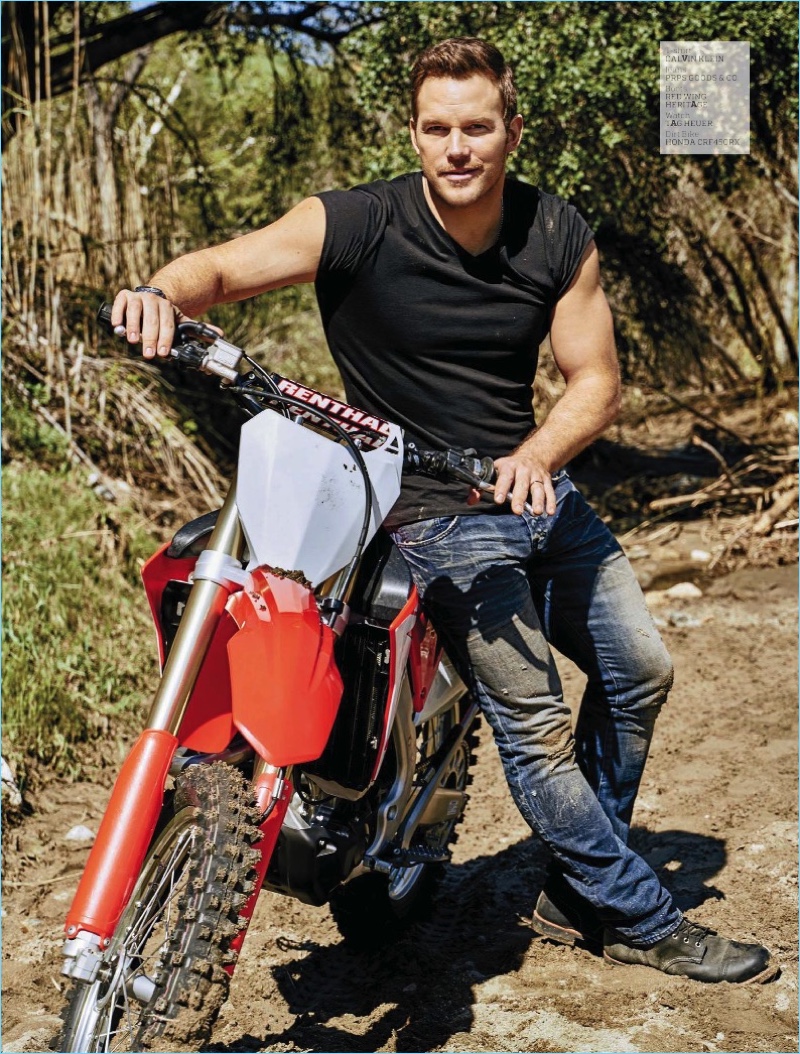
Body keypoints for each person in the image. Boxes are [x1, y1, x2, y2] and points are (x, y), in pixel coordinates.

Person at [112, 37, 775, 984]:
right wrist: (157, 296)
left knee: (641, 670)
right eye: (437, 129)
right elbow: (216, 269)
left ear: (509, 129)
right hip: (430, 513)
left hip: (535, 491)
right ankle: (636, 916)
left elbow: (596, 380)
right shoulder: (358, 223)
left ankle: (579, 884)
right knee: (537, 726)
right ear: (415, 134)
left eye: (476, 127)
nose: (456, 147)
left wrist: (538, 454)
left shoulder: (556, 233)